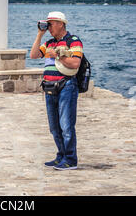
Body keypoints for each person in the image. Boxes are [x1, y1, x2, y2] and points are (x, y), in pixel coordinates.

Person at [30, 11, 83, 170]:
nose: (49, 27)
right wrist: (40, 35)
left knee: (66, 125)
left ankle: (70, 159)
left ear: (61, 23)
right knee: (54, 127)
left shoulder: (73, 41)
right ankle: (61, 155)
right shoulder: (49, 43)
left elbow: (75, 64)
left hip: (66, 86)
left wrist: (57, 56)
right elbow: (33, 55)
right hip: (49, 88)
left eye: (51, 23)